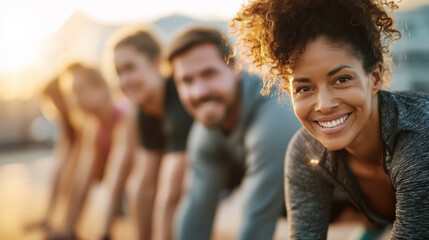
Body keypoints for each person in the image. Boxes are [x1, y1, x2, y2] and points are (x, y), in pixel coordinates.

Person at [232, 0, 429, 239]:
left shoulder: (417, 130)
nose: (324, 105)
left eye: (342, 79)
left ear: (375, 77)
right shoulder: (306, 153)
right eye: (304, 88)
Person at [167, 26, 301, 240]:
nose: (199, 92)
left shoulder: (273, 113)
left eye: (209, 73)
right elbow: (197, 214)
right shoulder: (206, 128)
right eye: (187, 80)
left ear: (236, 68)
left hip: (357, 201)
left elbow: (257, 225)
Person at [111, 27, 193, 240]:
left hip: (228, 168)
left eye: (130, 68)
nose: (124, 81)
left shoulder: (178, 95)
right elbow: (145, 184)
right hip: (190, 174)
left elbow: (172, 194)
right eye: (119, 73)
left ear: (157, 62)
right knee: (137, 186)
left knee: (174, 186)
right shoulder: (144, 109)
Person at [47, 63, 134, 240]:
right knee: (80, 170)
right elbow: (82, 178)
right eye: (72, 94)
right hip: (121, 189)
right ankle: (70, 229)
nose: (75, 100)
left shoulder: (125, 115)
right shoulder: (94, 127)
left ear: (102, 88)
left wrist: (105, 233)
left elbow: (117, 177)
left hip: (137, 187)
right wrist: (67, 227)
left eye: (80, 91)